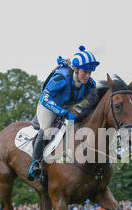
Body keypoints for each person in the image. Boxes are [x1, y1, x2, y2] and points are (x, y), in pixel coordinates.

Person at [28, 45, 99, 180]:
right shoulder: (62, 78)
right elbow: (45, 99)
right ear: (76, 69)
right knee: (46, 130)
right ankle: (35, 164)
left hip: (68, 107)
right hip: (49, 106)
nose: (88, 76)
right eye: (85, 72)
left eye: (90, 73)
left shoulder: (90, 84)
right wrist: (63, 113)